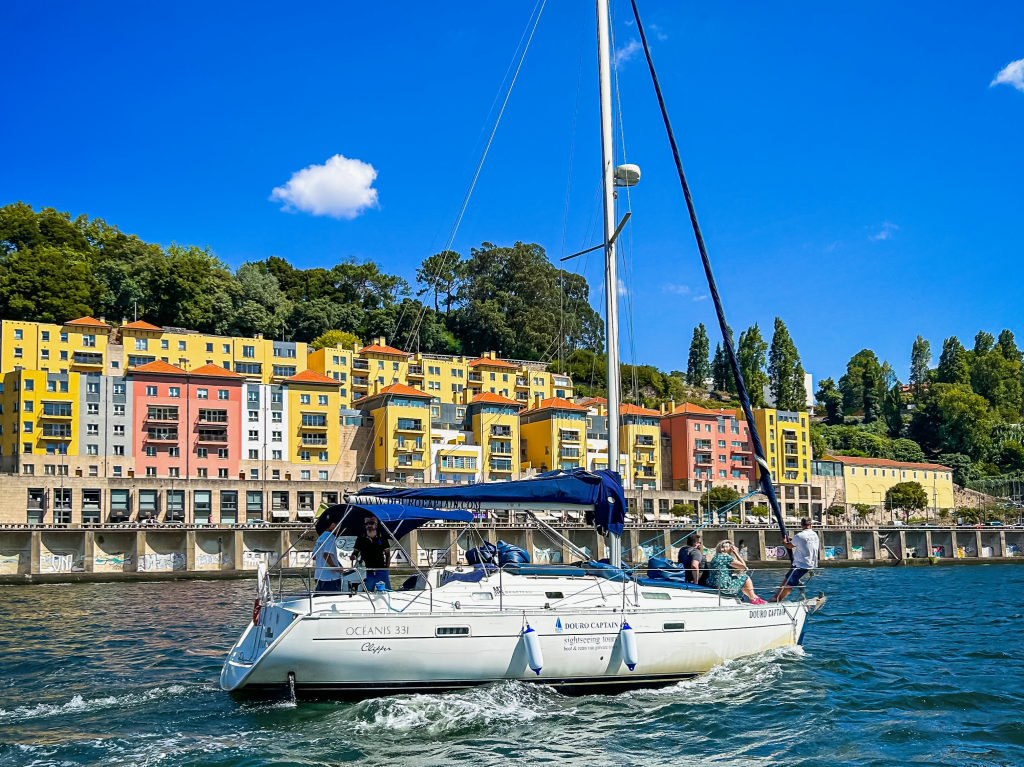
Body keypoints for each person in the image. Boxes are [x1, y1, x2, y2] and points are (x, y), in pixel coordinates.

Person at [770, 517, 820, 602]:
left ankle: (777, 599)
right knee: (787, 578)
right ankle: (776, 597)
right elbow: (804, 541)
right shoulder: (814, 534)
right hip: (810, 564)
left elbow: (789, 546)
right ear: (811, 524)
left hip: (800, 564)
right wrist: (793, 539)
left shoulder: (800, 535)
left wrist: (784, 542)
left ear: (801, 525)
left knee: (790, 582)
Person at [353, 515, 391, 592]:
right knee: (368, 592)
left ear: (376, 524)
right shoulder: (361, 537)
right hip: (367, 571)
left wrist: (386, 569)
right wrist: (353, 556)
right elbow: (355, 552)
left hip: (381, 570)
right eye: (366, 523)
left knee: (386, 591)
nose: (369, 525)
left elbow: (387, 554)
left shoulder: (382, 537)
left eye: (371, 523)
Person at [313, 519, 342, 592]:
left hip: (318, 575)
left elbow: (314, 556)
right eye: (338, 526)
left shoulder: (321, 537)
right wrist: (335, 568)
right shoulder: (330, 537)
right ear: (333, 525)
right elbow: (326, 555)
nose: (339, 528)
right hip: (330, 577)